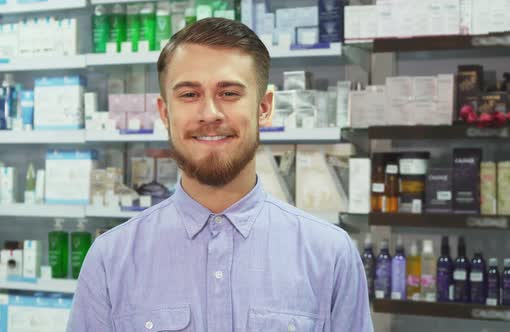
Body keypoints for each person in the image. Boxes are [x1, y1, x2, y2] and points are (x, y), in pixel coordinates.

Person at [67, 18, 373, 332]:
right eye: (189, 95)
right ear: (164, 112)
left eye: (228, 93)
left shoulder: (330, 255)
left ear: (264, 108)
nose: (210, 113)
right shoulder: (110, 259)